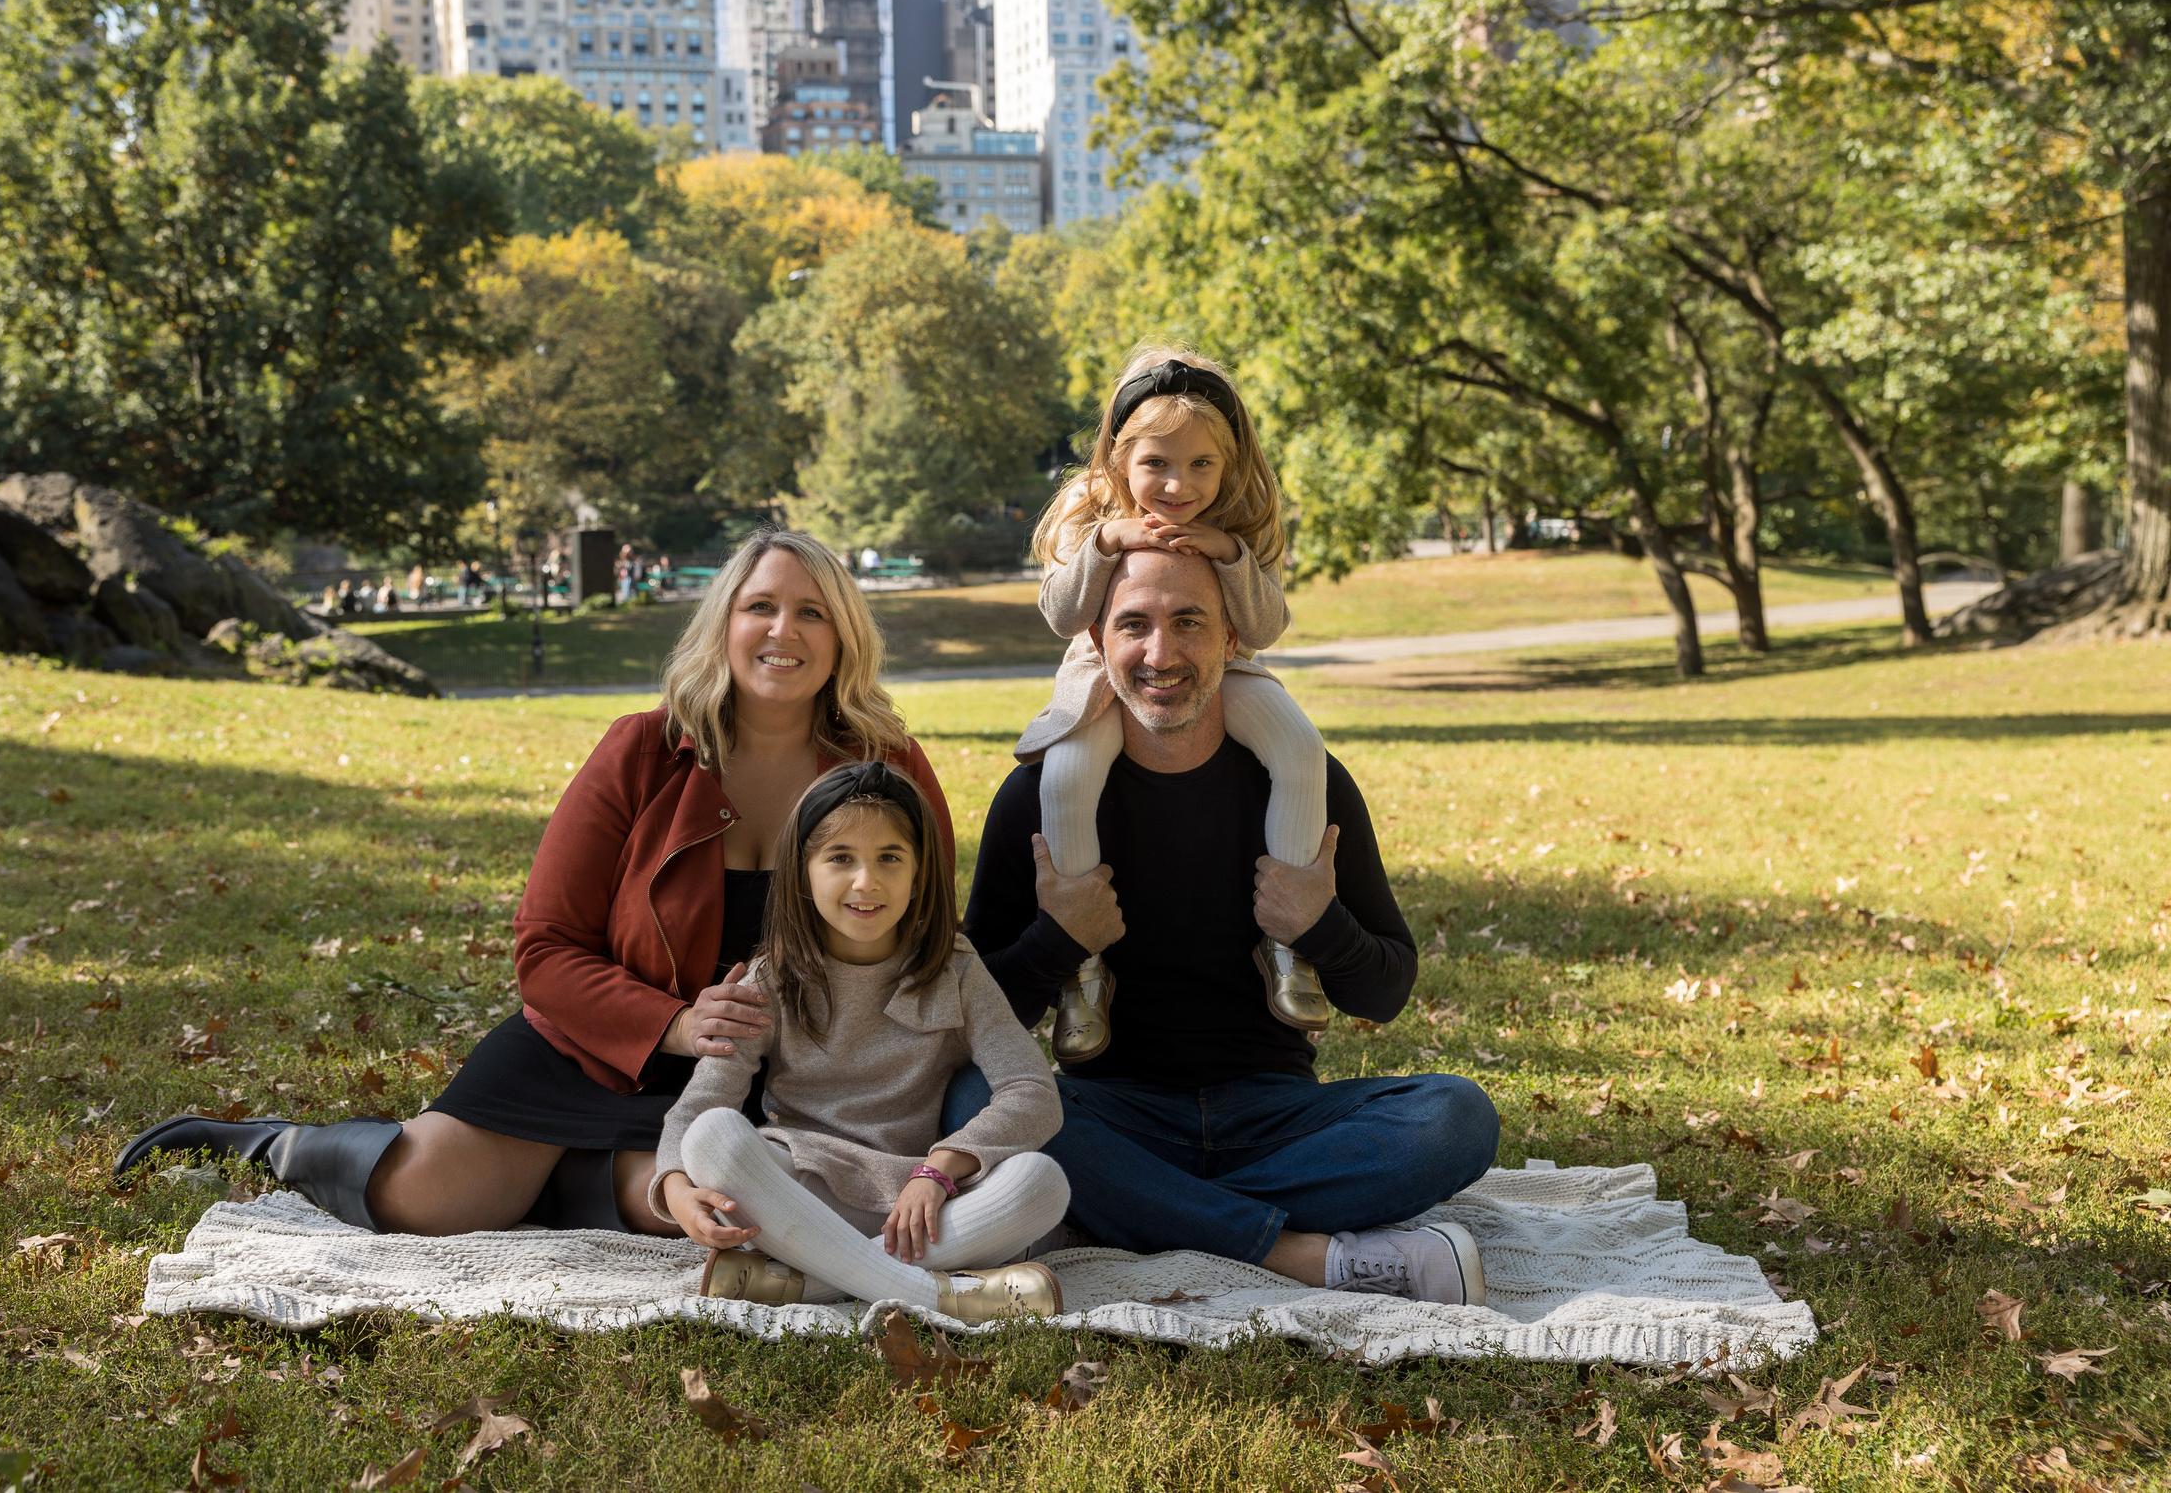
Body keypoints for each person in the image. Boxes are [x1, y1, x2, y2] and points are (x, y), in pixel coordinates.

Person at [112, 530, 955, 1236]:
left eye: (812, 611)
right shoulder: (639, 750)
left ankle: (586, 1177)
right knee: (428, 1196)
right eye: (760, 606)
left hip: (783, 1077)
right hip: (600, 1047)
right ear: (724, 623)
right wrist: (673, 1022)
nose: (784, 630)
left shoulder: (888, 766)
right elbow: (545, 949)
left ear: (843, 634)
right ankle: (280, 1145)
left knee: (715, 1209)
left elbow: (934, 943)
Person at [959, 547, 1500, 1304]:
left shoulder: (1305, 783)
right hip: (1111, 1108)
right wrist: (1057, 939)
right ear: (1096, 639)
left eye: (1189, 622)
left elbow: (1385, 988)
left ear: (1231, 639)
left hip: (1278, 1114)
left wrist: (1320, 924)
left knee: (1457, 1117)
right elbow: (976, 1017)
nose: (1161, 652)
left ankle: (1130, 1205)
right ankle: (1294, 1252)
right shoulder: (1037, 797)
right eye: (1134, 625)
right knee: (963, 1100)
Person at [655, 761, 1068, 1321]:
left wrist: (940, 1168)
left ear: (920, 873)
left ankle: (807, 1283)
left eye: (889, 859)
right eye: (840, 858)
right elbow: (701, 1107)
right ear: (802, 871)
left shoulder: (957, 972)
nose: (865, 882)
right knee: (713, 1137)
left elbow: (1032, 1092)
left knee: (1041, 1182)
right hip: (800, 1192)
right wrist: (675, 1188)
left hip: (917, 1203)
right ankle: (934, 1294)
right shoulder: (772, 979)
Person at [1019, 345, 1328, 1063]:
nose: (1176, 484)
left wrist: (1228, 555)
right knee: (1066, 777)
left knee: (1300, 749)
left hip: (1225, 668)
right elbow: (1064, 616)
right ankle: (1083, 971)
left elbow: (1264, 628)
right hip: (1102, 672)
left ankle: (1286, 942)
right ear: (1119, 456)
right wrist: (1105, 543)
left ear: (1227, 466)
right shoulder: (1088, 511)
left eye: (1200, 465)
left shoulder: (1241, 520)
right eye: (1156, 462)